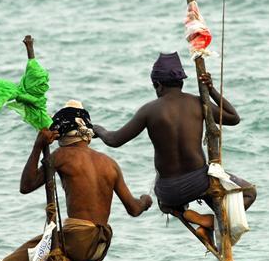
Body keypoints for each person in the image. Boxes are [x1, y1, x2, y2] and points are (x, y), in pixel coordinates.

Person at [0, 38, 152, 261]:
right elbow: (134, 209)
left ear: (62, 134)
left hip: (75, 238)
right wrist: (146, 201)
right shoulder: (110, 163)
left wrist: (38, 145)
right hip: (100, 244)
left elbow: (26, 187)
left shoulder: (63, 157)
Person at [93, 52, 256, 245]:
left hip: (168, 192)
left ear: (158, 85)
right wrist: (211, 90)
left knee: (164, 201)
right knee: (249, 192)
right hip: (200, 183)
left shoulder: (149, 110)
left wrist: (98, 129)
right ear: (182, 83)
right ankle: (212, 222)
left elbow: (114, 140)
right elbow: (233, 118)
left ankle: (197, 221)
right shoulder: (198, 102)